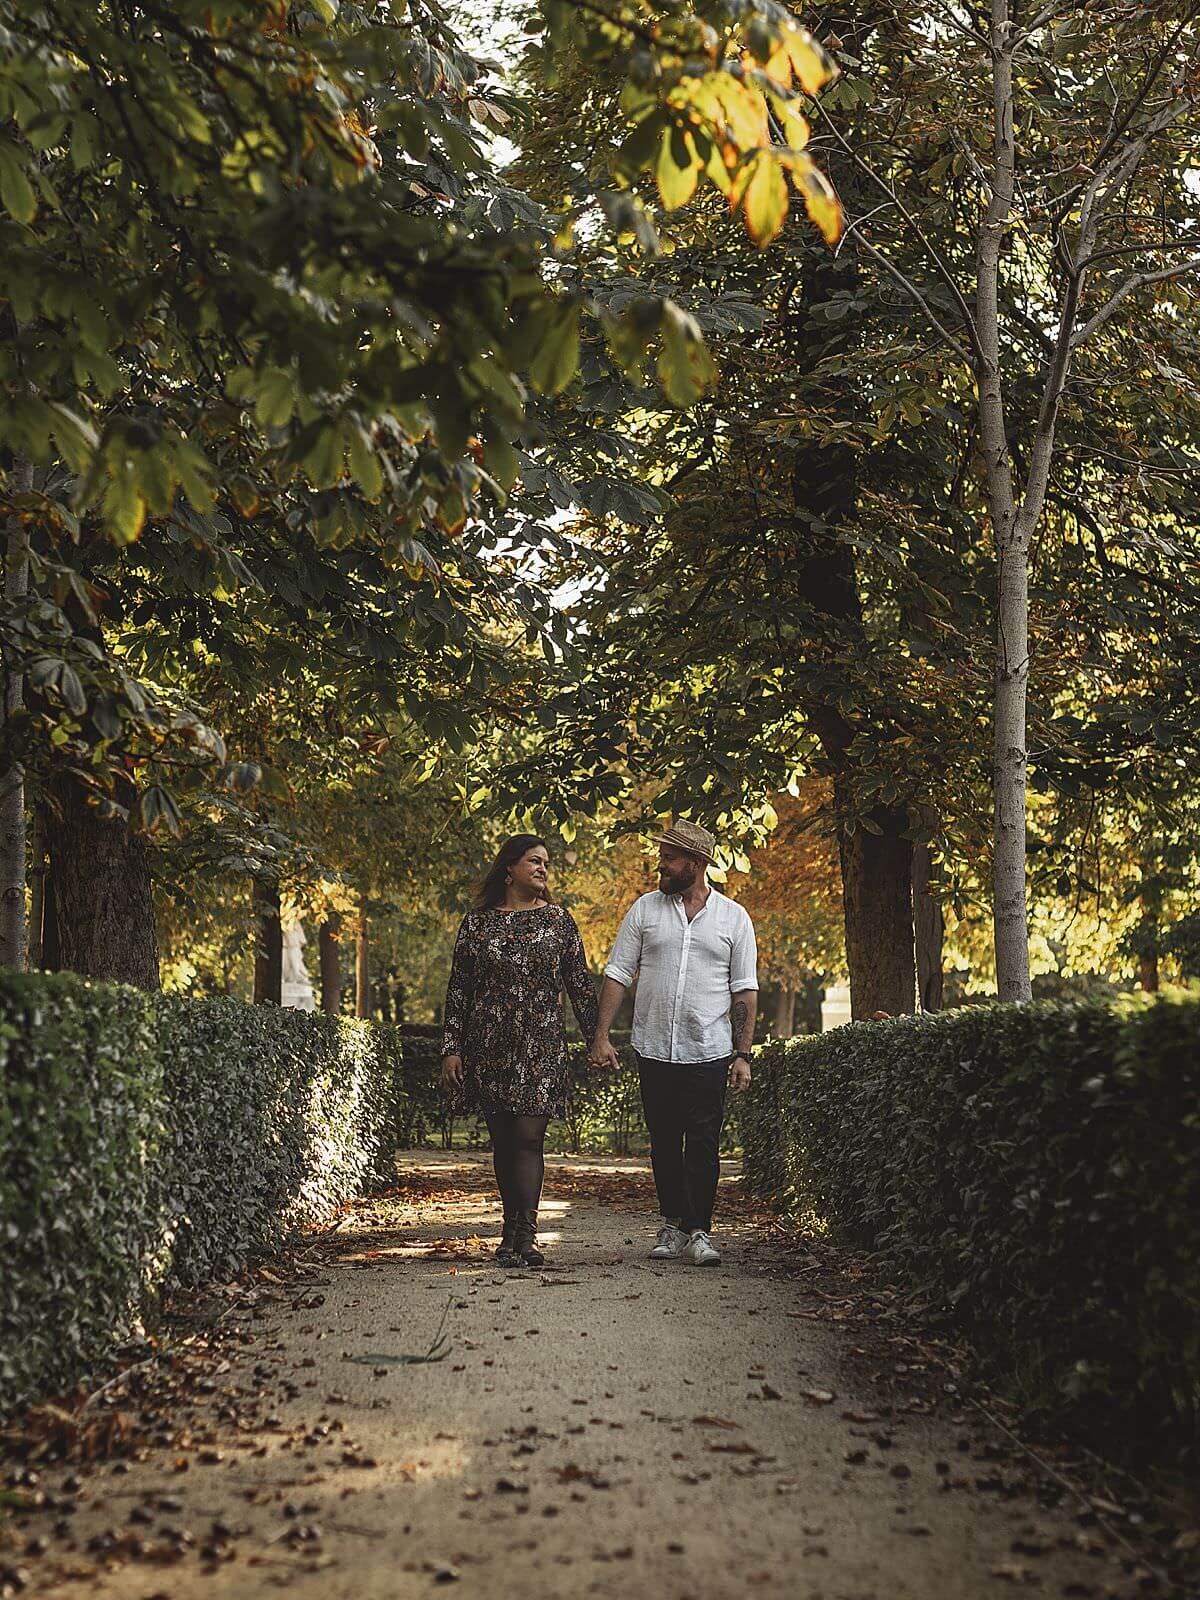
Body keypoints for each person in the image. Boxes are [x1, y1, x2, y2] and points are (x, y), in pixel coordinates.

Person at [589, 820, 758, 1267]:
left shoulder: (733, 918)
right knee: (664, 1142)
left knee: (703, 1141)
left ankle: (698, 1230)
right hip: (654, 1047)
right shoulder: (645, 910)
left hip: (709, 1049)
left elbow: (743, 990)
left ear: (697, 864)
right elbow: (618, 973)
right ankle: (672, 1223)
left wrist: (742, 1054)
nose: (660, 865)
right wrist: (601, 1035)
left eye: (669, 858)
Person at [440, 835, 598, 1269]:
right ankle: (509, 1233)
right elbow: (460, 990)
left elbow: (580, 988)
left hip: (541, 1046)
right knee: (505, 1141)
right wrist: (451, 1049)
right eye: (534, 861)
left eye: (546, 862)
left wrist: (596, 1039)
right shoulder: (477, 924)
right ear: (509, 869)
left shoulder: (559, 922)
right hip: (489, 1046)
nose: (543, 869)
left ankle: (526, 1236)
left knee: (529, 1139)